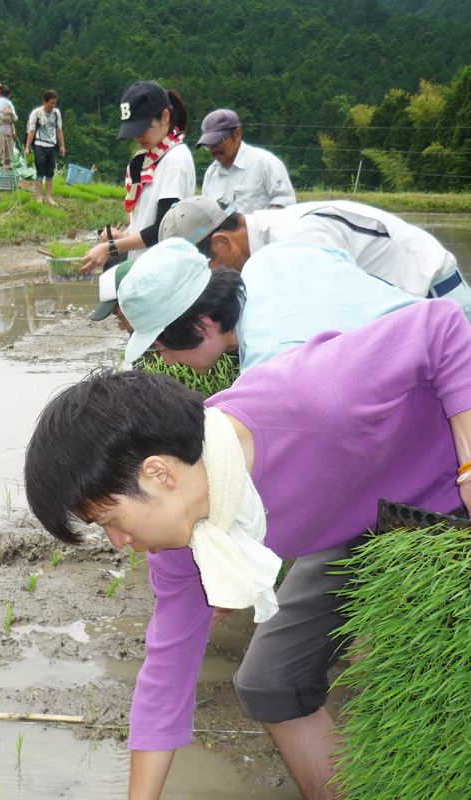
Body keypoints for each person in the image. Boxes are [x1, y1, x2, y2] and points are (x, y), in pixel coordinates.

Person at [24, 297, 471, 800]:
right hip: (366, 526)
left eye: (111, 520)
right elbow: (164, 677)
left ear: (159, 473)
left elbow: (440, 326)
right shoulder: (187, 544)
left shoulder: (314, 397)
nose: (120, 542)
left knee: (433, 693)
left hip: (449, 494)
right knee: (269, 681)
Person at [119, 237, 420, 373]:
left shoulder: (270, 370)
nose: (168, 361)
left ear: (202, 326)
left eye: (163, 348)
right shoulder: (273, 256)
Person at [159, 195, 471, 320]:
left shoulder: (298, 240)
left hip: (440, 303)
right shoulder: (269, 240)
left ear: (222, 241)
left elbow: (340, 317)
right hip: (416, 309)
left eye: (207, 269)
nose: (211, 280)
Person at [80, 81, 196, 273]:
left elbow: (162, 229)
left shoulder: (175, 159)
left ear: (165, 117)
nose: (138, 137)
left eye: (143, 128)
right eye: (133, 131)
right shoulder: (150, 159)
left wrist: (111, 248)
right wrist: (124, 235)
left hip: (164, 273)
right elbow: (146, 219)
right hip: (144, 270)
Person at [197, 108, 295, 214]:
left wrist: (254, 226)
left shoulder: (265, 163)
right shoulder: (211, 175)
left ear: (237, 134)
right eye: (209, 145)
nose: (214, 149)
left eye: (219, 142)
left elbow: (286, 204)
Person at [24, 89, 66, 206]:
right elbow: (31, 131)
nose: (53, 105)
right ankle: (39, 197)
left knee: (50, 172)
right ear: (44, 101)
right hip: (39, 146)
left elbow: (59, 130)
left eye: (55, 103)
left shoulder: (56, 113)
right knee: (39, 172)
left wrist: (62, 145)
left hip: (52, 146)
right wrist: (27, 147)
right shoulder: (36, 113)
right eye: (51, 103)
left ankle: (48, 197)